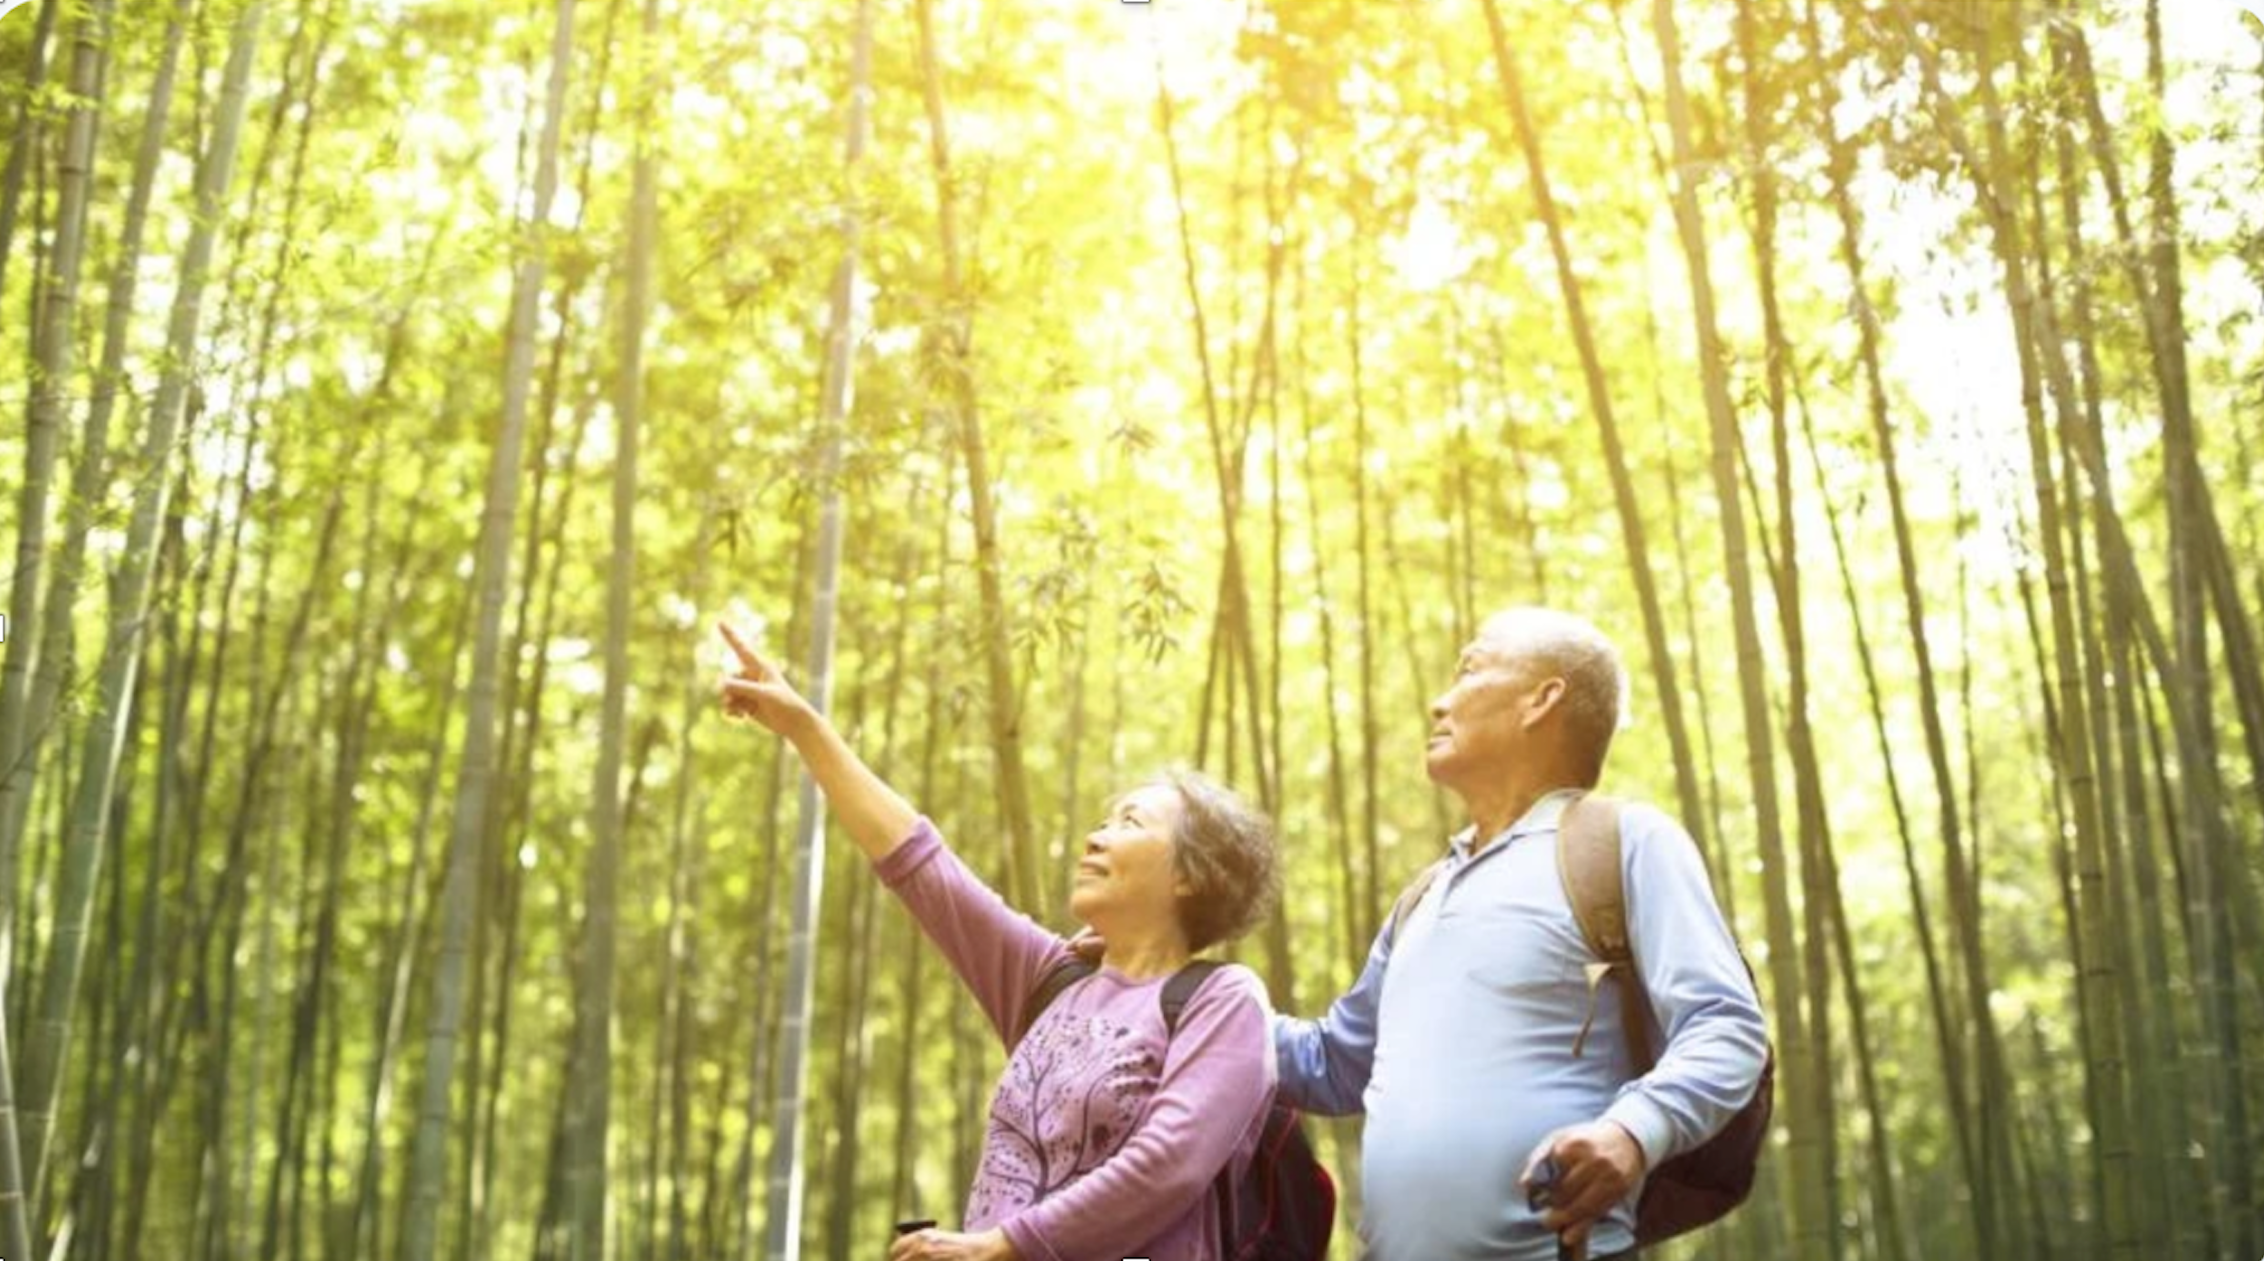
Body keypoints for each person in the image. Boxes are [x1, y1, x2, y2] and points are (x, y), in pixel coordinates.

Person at [714, 621, 1281, 1261]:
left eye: (1129, 823)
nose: (1094, 838)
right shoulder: (1051, 980)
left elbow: (1169, 1165)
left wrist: (1004, 1245)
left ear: (1189, 873)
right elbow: (922, 865)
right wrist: (805, 729)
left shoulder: (1224, 1001)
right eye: (1100, 821)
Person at [1273, 607, 1768, 1261]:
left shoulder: (1625, 841)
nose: (1437, 701)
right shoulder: (1423, 895)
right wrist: (1168, 992)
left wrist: (1632, 1131)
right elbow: (1331, 1065)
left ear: (1543, 698)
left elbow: (1727, 1026)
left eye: (1470, 669)